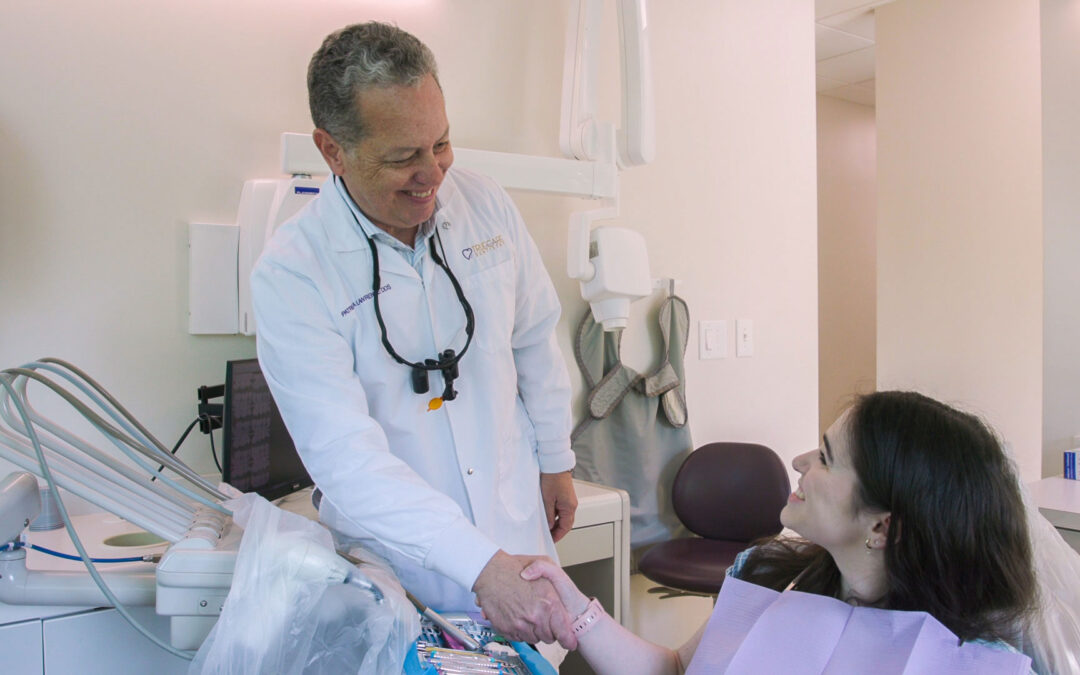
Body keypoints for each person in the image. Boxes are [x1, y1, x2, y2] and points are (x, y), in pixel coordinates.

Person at [250, 21, 579, 648]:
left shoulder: (483, 204)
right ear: (333, 150)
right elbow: (347, 459)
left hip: (515, 529)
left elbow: (535, 335)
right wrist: (479, 564)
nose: (432, 173)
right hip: (402, 577)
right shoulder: (294, 271)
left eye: (443, 144)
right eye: (403, 156)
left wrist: (556, 459)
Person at [522, 391, 1038, 673]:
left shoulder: (964, 661)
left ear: (882, 526)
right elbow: (675, 670)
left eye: (827, 458)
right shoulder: (768, 575)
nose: (799, 461)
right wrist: (576, 609)